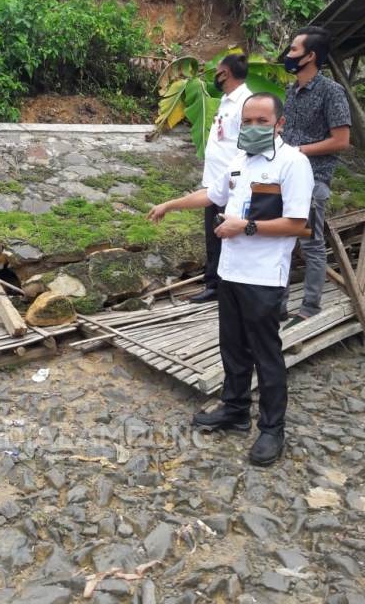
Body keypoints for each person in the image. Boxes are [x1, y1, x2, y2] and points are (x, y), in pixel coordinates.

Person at [148, 93, 314, 466]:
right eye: (248, 121)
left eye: (262, 121)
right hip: (231, 273)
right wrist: (170, 205)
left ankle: (272, 429)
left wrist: (247, 226)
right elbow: (212, 195)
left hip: (264, 279)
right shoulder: (239, 161)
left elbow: (298, 224)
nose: (253, 127)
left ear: (279, 124)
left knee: (266, 355)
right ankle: (236, 410)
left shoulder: (293, 163)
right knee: (233, 350)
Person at [281, 26, 351, 325]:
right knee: (282, 239)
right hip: (284, 179)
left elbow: (341, 141)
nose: (288, 55)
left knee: (310, 243)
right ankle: (279, 305)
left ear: (311, 56)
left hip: (311, 181)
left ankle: (310, 305)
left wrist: (298, 151)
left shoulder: (331, 92)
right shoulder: (291, 90)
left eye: (294, 50)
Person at [191, 53, 253, 304]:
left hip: (232, 184)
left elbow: (246, 146)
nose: (214, 75)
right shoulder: (227, 100)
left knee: (229, 235)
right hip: (214, 182)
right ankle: (214, 284)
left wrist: (235, 179)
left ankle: (229, 286)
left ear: (225, 74)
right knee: (213, 233)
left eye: (217, 71)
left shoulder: (246, 102)